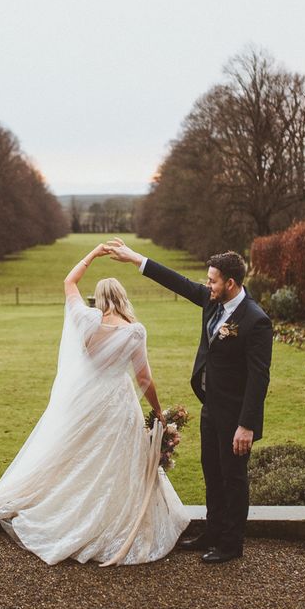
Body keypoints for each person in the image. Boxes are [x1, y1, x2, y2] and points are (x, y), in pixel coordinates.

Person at [0, 243, 190, 566]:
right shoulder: (135, 332)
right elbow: (144, 380)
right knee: (118, 463)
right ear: (122, 297)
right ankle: (112, 519)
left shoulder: (85, 321)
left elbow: (68, 282)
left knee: (81, 459)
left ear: (101, 299)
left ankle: (72, 515)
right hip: (119, 403)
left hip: (88, 402)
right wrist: (158, 411)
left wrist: (92, 255)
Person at [107, 238, 272, 563]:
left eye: (212, 280)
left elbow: (259, 378)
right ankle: (212, 531)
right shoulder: (213, 301)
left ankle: (230, 544)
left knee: (233, 477)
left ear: (231, 283)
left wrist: (246, 425)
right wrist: (134, 259)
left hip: (237, 416)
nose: (207, 284)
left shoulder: (256, 320)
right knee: (211, 471)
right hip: (211, 407)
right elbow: (177, 282)